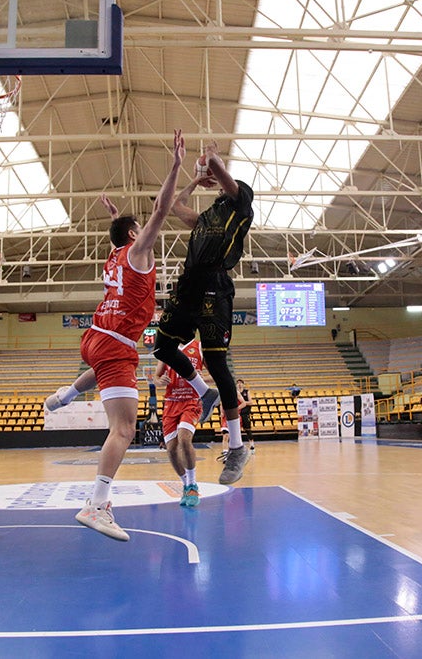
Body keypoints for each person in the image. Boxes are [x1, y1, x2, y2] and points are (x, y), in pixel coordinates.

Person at [51, 130, 185, 542]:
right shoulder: (137, 252)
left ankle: (65, 395)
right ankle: (96, 504)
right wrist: (176, 166)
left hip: (95, 335)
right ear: (132, 236)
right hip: (114, 343)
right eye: (139, 228)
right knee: (124, 429)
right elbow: (161, 209)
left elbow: (124, 228)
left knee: (108, 369)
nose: (146, 230)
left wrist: (114, 214)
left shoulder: (113, 253)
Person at [153, 139, 255, 486]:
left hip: (215, 288)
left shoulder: (241, 206)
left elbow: (230, 183)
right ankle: (204, 391)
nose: (225, 188)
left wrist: (212, 160)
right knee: (161, 347)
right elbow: (175, 205)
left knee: (217, 362)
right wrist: (195, 180)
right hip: (187, 289)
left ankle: (238, 447)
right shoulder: (204, 218)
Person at [154, 339, 205, 507]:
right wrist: (159, 381)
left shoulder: (199, 346)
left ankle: (193, 485)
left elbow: (214, 374)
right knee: (171, 449)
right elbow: (156, 376)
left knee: (184, 439)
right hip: (171, 402)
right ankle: (185, 485)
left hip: (191, 400)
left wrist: (204, 378)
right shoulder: (167, 346)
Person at [236, 378, 255, 452]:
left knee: (248, 430)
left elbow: (251, 402)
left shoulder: (246, 392)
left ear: (243, 384)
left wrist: (243, 402)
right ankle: (238, 446)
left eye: (241, 383)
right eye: (238, 383)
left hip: (245, 413)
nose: (239, 384)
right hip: (238, 414)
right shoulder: (236, 393)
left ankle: (252, 445)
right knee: (237, 431)